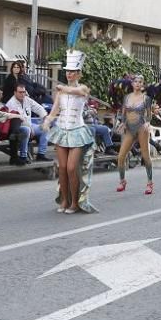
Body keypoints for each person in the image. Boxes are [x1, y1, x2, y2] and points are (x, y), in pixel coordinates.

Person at [43, 50, 98, 213]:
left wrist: (63, 88)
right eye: (67, 71)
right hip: (61, 129)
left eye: (73, 71)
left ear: (79, 73)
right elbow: (54, 111)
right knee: (62, 168)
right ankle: (64, 201)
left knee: (72, 168)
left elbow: (80, 93)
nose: (69, 74)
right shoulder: (60, 92)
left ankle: (76, 202)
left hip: (77, 131)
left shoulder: (83, 88)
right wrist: (47, 121)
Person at [115, 74, 155, 194]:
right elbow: (123, 113)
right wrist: (122, 123)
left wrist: (147, 123)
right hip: (129, 128)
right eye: (135, 81)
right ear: (132, 84)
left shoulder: (146, 99)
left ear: (143, 85)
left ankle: (149, 182)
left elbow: (149, 114)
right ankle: (122, 181)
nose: (137, 83)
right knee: (121, 156)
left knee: (145, 155)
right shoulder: (127, 97)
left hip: (141, 128)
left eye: (140, 82)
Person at [5, 83, 50, 162]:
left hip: (30, 125)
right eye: (20, 92)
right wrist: (30, 127)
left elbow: (38, 108)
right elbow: (20, 119)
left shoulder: (27, 99)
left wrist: (45, 117)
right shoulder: (11, 103)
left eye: (24, 92)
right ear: (15, 92)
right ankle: (23, 156)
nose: (22, 94)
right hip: (17, 127)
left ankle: (41, 154)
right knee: (27, 129)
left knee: (45, 128)